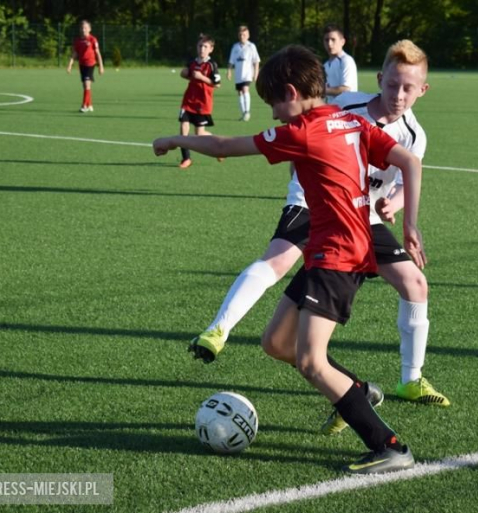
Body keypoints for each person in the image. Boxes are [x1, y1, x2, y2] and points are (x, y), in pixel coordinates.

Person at [154, 44, 424, 474]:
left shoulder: (303, 132)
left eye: (275, 103)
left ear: (293, 92)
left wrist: (174, 139)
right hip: (333, 251)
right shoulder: (351, 120)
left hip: (337, 256)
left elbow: (226, 144)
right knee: (276, 343)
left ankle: (389, 445)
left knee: (310, 360)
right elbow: (409, 160)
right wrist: (410, 224)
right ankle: (356, 389)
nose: (275, 114)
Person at [190, 40, 450, 418]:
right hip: (312, 204)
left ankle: (411, 379)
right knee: (277, 261)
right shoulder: (347, 106)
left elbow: (403, 180)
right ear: (380, 79)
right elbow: (296, 132)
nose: (398, 94)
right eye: (392, 85)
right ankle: (219, 329)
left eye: (408, 88)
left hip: (361, 217)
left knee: (415, 284)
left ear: (423, 90)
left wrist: (393, 206)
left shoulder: (414, 135)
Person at [177, 34, 222, 169]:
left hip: (202, 103)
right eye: (200, 46)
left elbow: (217, 84)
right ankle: (186, 158)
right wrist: (184, 73)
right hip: (188, 100)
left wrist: (202, 77)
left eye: (205, 46)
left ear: (211, 49)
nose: (202, 49)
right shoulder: (192, 62)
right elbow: (187, 74)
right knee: (183, 128)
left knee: (199, 134)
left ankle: (219, 146)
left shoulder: (211, 65)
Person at [66, 20, 104, 113]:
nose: (83, 29)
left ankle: (84, 106)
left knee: (87, 84)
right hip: (82, 65)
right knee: (85, 85)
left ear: (89, 29)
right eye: (82, 28)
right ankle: (90, 104)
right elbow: (74, 53)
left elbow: (97, 53)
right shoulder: (78, 41)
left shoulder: (92, 39)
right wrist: (70, 65)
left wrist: (101, 66)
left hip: (90, 64)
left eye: (85, 28)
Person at [227, 25, 260, 121]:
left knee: (245, 89)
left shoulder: (251, 46)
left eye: (244, 34)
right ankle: (243, 113)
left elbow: (256, 61)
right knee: (240, 92)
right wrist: (229, 71)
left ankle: (247, 112)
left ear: (248, 35)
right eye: (240, 34)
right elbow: (231, 61)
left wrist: (256, 73)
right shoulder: (235, 47)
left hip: (247, 74)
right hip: (238, 74)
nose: (242, 36)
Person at [322, 24, 358, 102]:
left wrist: (321, 90)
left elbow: (346, 89)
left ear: (342, 42)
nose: (329, 43)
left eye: (333, 39)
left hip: (347, 110)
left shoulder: (346, 61)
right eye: (326, 40)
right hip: (333, 110)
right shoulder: (325, 65)